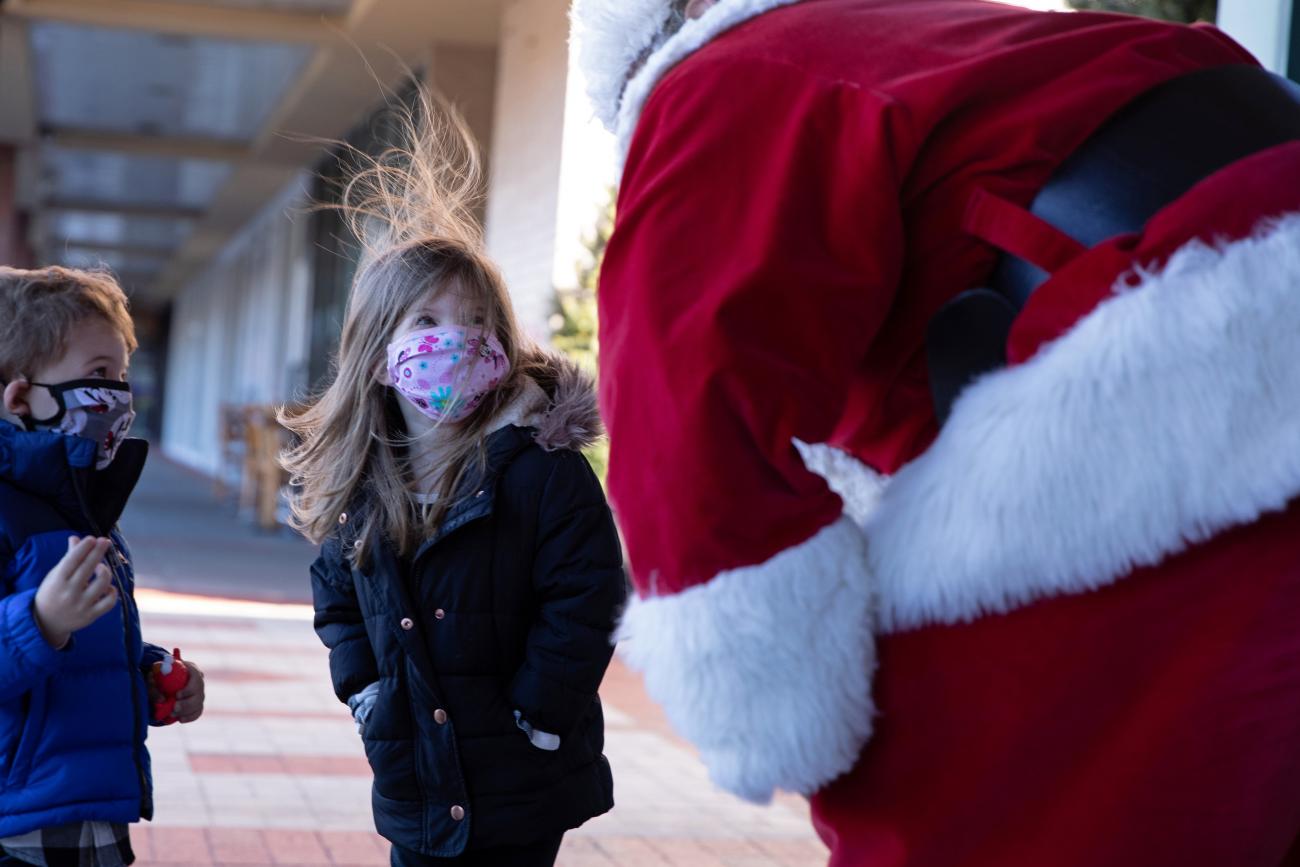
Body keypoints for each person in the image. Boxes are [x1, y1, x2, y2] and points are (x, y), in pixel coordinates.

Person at [571, 0, 1300, 863]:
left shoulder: (710, 82)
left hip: (1162, 363)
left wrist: (767, 707)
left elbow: (687, 414)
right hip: (1238, 293)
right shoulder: (932, 42)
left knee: (947, 799)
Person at [280, 95, 626, 866]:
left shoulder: (543, 470)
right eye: (427, 324)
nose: (455, 341)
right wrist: (363, 687)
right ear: (378, 357)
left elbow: (590, 593)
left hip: (521, 773)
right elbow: (336, 593)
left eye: (474, 323)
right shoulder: (366, 488)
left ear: (502, 346)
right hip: (416, 774)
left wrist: (540, 713)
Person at [0, 265, 207, 867]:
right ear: (19, 396)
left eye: (121, 374)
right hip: (19, 826)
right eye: (98, 375)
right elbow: (39, 633)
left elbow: (81, 654)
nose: (119, 395)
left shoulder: (86, 509)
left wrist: (145, 672)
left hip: (98, 818)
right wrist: (38, 622)